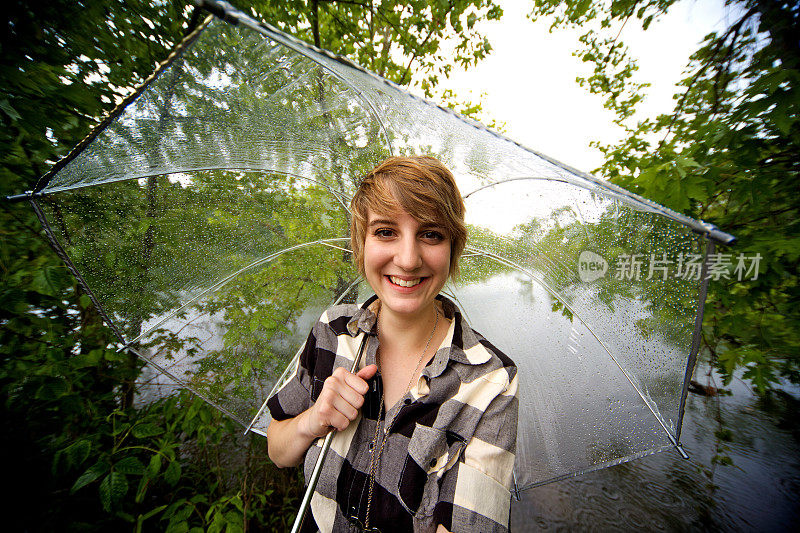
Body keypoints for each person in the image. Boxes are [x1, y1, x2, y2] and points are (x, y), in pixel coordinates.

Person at [266, 156, 518, 533]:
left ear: (453, 249)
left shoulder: (490, 380)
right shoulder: (333, 329)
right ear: (361, 241)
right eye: (385, 231)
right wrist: (313, 420)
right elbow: (278, 449)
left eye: (431, 234)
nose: (408, 258)